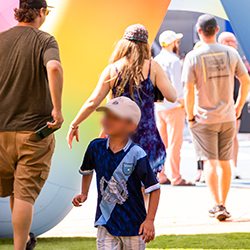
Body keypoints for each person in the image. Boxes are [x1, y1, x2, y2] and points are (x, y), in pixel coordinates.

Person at [0, 0, 64, 250]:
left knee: (17, 190)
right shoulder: (45, 40)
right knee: (25, 194)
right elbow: (53, 67)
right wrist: (57, 108)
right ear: (40, 12)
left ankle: (24, 240)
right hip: (34, 131)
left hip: (2, 130)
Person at [72, 97, 161, 250]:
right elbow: (87, 170)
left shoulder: (137, 154)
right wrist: (84, 193)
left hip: (133, 224)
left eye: (115, 116)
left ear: (131, 125)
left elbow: (154, 189)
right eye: (106, 115)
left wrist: (149, 220)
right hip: (106, 221)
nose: (107, 120)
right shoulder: (95, 147)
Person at [67, 24, 176, 174]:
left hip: (118, 137)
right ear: (145, 45)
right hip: (146, 136)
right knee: (143, 186)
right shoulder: (153, 67)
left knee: (119, 185)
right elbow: (172, 96)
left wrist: (74, 124)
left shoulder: (112, 69)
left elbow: (93, 102)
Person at [183, 15, 250, 221]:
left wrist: (190, 116)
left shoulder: (193, 56)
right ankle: (224, 203)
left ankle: (217, 204)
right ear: (217, 29)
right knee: (225, 161)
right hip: (228, 116)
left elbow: (188, 90)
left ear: (199, 30)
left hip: (204, 117)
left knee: (210, 162)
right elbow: (246, 82)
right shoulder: (231, 53)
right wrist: (238, 107)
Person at [154, 30, 194, 186]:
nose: (178, 44)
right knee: (174, 144)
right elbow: (178, 86)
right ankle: (176, 177)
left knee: (161, 144)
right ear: (171, 43)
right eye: (176, 41)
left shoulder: (156, 59)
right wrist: (184, 104)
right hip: (174, 106)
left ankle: (161, 175)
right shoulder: (175, 60)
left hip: (159, 107)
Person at [218, 32, 242, 174]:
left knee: (233, 136)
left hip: (233, 101)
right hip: (219, 102)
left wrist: (238, 104)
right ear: (225, 42)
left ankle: (233, 166)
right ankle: (223, 167)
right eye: (233, 41)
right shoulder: (219, 55)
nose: (236, 44)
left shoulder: (235, 57)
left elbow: (244, 81)